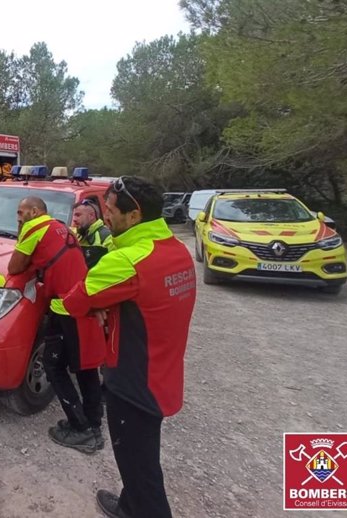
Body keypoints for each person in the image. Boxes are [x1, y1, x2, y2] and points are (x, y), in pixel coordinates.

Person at [62, 176, 196, 518]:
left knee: (143, 473)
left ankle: (141, 507)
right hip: (162, 373)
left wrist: (100, 305)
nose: (106, 217)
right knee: (140, 457)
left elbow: (76, 301)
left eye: (109, 211)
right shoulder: (176, 251)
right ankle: (127, 507)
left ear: (133, 215)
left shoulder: (126, 262)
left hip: (133, 382)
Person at [7, 197, 105, 454]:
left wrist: (21, 233)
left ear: (36, 211)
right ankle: (91, 424)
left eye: (21, 212)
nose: (18, 216)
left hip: (67, 306)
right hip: (82, 301)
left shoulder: (34, 227)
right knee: (84, 367)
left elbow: (14, 266)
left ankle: (83, 429)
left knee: (58, 365)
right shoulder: (57, 226)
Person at [72, 199, 114, 269]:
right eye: (74, 215)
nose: (74, 219)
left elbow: (110, 267)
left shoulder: (106, 237)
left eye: (78, 215)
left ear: (91, 216)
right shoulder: (77, 234)